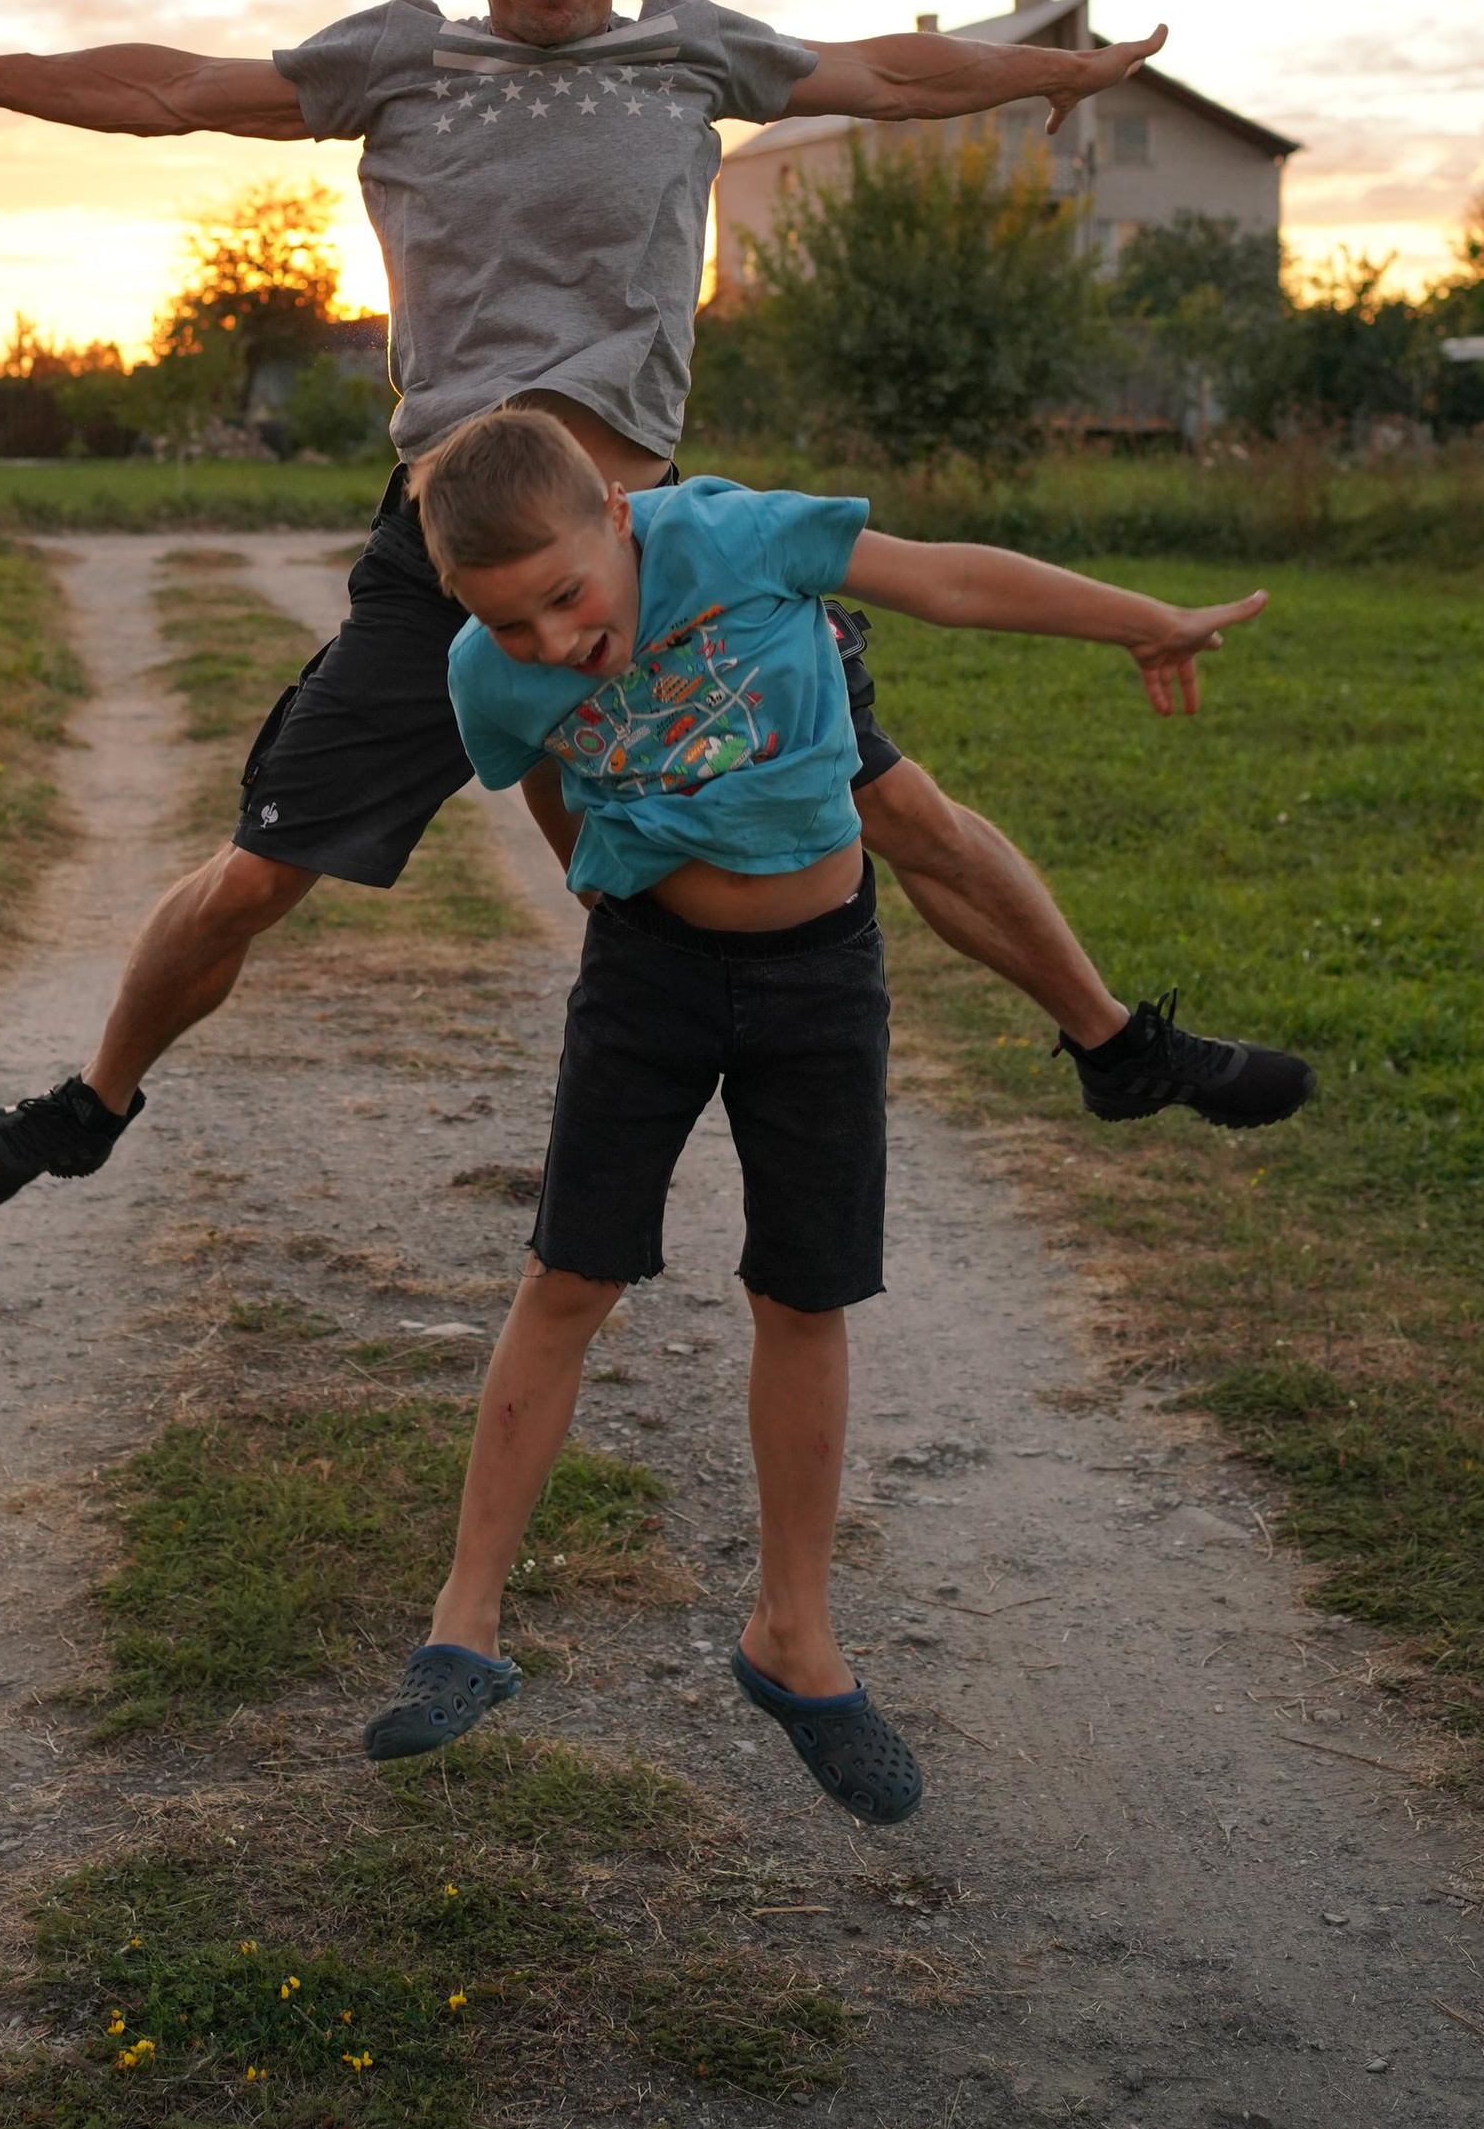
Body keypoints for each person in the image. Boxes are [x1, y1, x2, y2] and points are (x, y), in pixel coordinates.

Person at [0, 0, 1312, 1208]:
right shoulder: (405, 61)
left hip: (650, 543)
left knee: (893, 806)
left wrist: (1039, 76)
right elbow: (173, 90)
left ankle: (1115, 1047)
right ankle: (96, 1100)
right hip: (453, 553)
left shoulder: (689, 51)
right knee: (256, 870)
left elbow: (891, 73)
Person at [359, 406, 1281, 1821]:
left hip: (819, 977)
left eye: (566, 594)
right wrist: (591, 872)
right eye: (513, 620)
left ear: (620, 510)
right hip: (650, 980)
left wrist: (1140, 620)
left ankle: (794, 1636)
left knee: (805, 1294)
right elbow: (536, 761)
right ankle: (461, 1627)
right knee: (568, 1275)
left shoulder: (737, 536)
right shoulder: (489, 669)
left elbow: (952, 579)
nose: (552, 637)